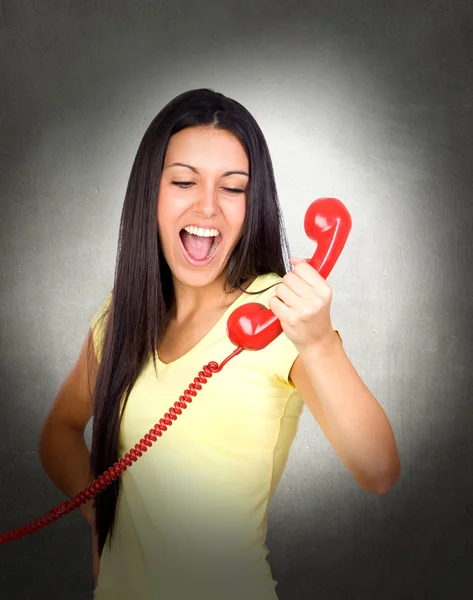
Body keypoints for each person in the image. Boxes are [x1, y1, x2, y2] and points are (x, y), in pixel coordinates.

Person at [38, 88, 400, 599]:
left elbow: (379, 470)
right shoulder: (123, 313)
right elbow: (59, 430)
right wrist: (104, 518)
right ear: (151, 193)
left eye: (233, 188)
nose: (207, 205)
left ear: (254, 204)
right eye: (184, 181)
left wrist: (319, 343)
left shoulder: (277, 314)